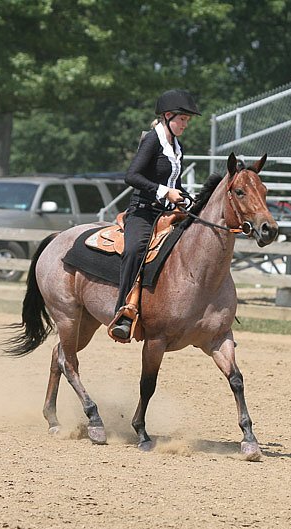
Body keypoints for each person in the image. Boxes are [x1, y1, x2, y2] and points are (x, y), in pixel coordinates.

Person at [109, 89, 201, 340]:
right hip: (143, 212)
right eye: (182, 119)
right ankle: (123, 312)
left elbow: (175, 182)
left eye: (187, 120)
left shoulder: (177, 145)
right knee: (134, 251)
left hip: (167, 212)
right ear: (168, 116)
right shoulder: (152, 139)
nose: (185, 124)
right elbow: (132, 176)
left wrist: (186, 197)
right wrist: (165, 192)